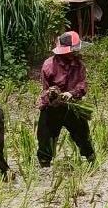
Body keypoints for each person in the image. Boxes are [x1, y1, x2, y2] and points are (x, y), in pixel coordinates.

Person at [38, 31, 95, 167]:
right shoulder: (49, 65)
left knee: (83, 135)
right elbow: (45, 89)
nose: (74, 53)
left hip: (73, 106)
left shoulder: (79, 65)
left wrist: (72, 93)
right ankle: (45, 164)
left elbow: (82, 84)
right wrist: (53, 94)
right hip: (52, 108)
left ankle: (91, 159)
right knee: (45, 137)